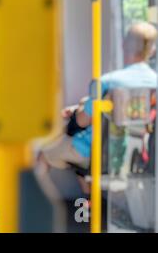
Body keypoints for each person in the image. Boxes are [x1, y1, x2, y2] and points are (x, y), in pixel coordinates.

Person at [37, 22, 158, 192]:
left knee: (45, 153)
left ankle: (34, 207)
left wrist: (79, 109)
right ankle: (88, 209)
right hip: (134, 156)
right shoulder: (154, 82)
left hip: (93, 151)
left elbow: (82, 120)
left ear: (124, 45)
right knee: (82, 170)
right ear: (151, 50)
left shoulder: (108, 83)